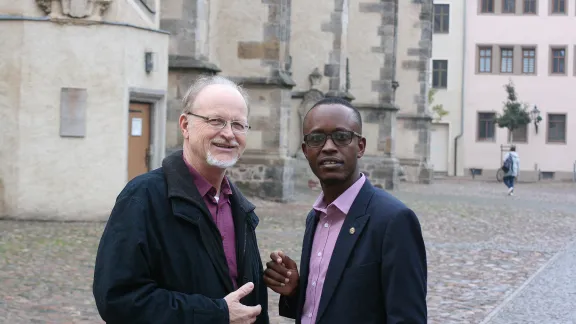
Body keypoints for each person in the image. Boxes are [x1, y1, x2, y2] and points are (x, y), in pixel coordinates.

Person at [93, 75, 269, 324]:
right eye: (216, 121)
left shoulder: (238, 206)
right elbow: (119, 300)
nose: (229, 134)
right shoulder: (142, 198)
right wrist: (215, 314)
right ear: (185, 125)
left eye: (238, 125)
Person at [263, 97, 428, 324]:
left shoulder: (393, 220)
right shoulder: (316, 217)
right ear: (305, 150)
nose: (328, 147)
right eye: (317, 138)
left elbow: (407, 318)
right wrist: (295, 292)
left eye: (341, 137)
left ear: (360, 147)